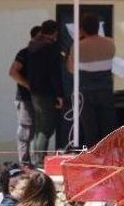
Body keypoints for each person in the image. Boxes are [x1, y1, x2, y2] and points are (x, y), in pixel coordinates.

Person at [68, 12, 116, 148]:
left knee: (90, 129)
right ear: (98, 27)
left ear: (82, 29)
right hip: (105, 90)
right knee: (107, 127)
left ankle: (93, 158)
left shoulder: (77, 46)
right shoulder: (110, 43)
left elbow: (71, 69)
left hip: (86, 92)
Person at [26, 20, 65, 164]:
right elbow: (55, 73)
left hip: (34, 92)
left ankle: (35, 159)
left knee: (38, 127)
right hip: (47, 92)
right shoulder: (51, 48)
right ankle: (39, 161)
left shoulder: (32, 47)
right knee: (46, 128)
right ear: (55, 32)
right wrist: (60, 95)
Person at [9, 26, 41, 164]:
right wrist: (28, 85)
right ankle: (25, 163)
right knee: (26, 130)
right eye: (40, 37)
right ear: (34, 37)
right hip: (25, 98)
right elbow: (13, 72)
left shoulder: (44, 54)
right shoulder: (24, 53)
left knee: (38, 131)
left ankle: (36, 162)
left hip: (40, 98)